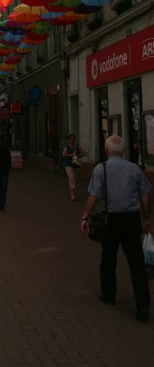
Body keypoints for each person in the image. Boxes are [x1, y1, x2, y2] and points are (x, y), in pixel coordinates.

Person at [81, 135, 152, 322]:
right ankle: (143, 305)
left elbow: (93, 197)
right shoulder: (135, 169)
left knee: (108, 258)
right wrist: (147, 219)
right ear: (124, 152)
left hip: (110, 221)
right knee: (136, 263)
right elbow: (145, 196)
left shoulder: (100, 169)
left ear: (106, 151)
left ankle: (109, 295)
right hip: (131, 220)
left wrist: (85, 217)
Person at [62, 133, 87, 201]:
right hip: (68, 164)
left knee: (75, 178)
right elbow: (63, 154)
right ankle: (72, 193)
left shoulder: (77, 146)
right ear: (68, 140)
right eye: (70, 139)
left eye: (73, 139)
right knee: (71, 177)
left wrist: (78, 155)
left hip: (76, 165)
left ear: (75, 139)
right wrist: (71, 155)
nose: (71, 140)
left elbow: (84, 153)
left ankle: (72, 189)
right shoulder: (67, 147)